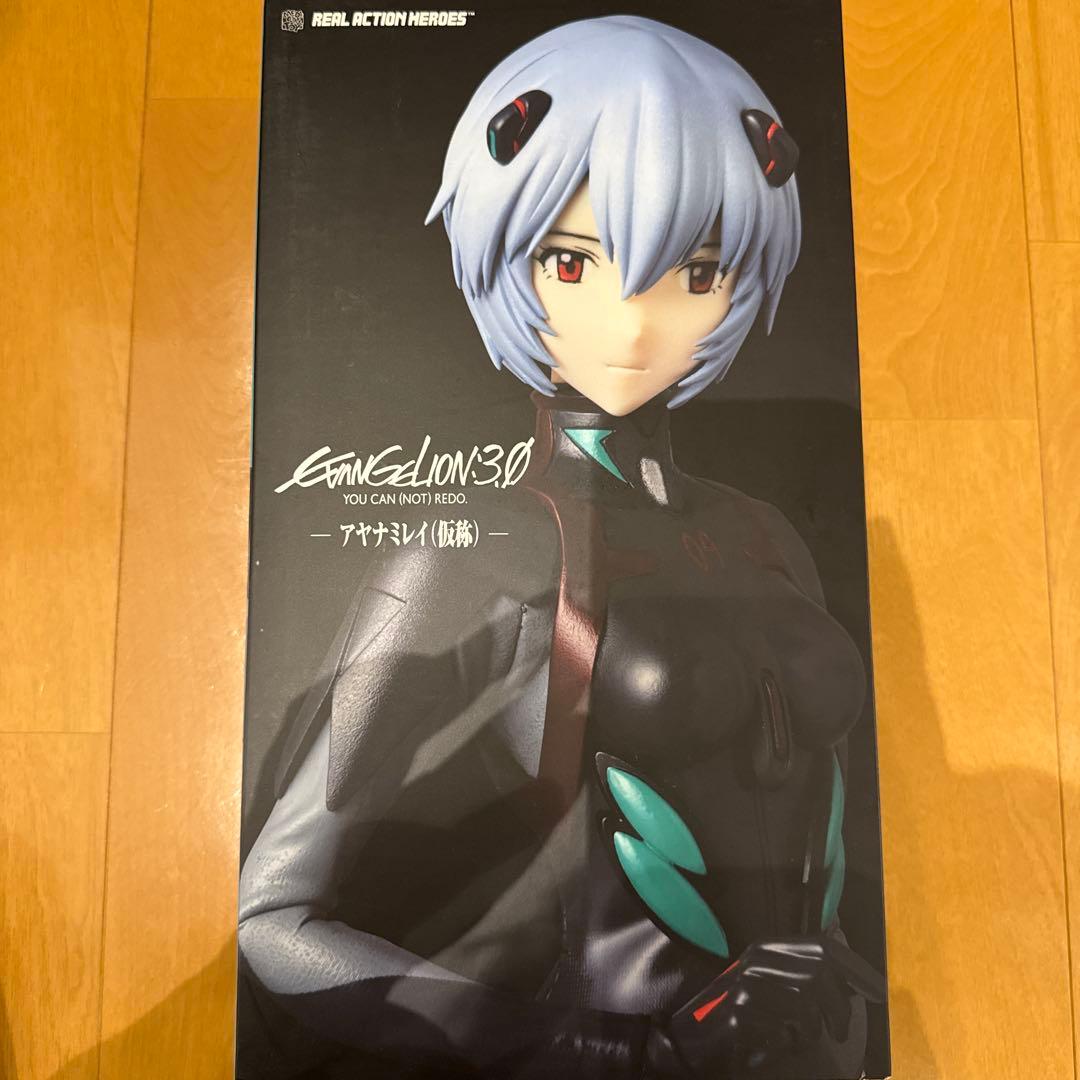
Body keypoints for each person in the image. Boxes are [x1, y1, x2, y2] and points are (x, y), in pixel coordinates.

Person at [237, 16, 885, 1078]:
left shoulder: (766, 537)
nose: (635, 322)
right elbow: (275, 920)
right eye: (575, 260)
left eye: (697, 270)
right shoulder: (475, 556)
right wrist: (605, 1046)